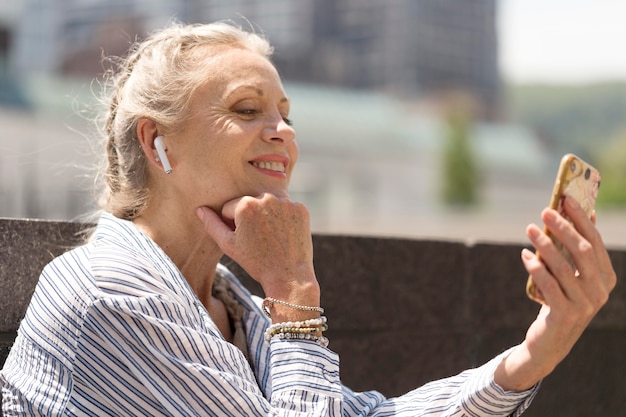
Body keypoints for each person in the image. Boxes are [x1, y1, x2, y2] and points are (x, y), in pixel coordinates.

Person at [0, 21, 616, 416]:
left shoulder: (229, 299)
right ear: (159, 144)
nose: (283, 133)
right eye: (248, 109)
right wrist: (294, 292)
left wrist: (533, 355)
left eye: (287, 113)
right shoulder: (107, 292)